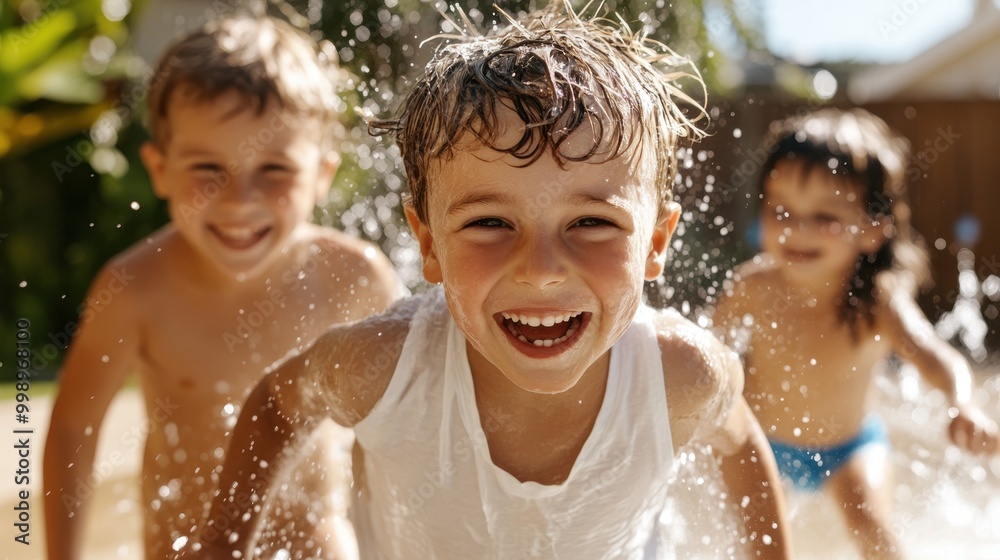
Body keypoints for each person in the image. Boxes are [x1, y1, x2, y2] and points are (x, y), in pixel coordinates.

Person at [179, 4, 791, 559]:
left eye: (591, 222)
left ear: (655, 243)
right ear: (428, 244)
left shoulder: (681, 376)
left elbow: (738, 442)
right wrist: (221, 545)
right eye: (491, 222)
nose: (542, 269)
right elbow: (278, 406)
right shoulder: (385, 370)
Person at [42, 14, 401, 560]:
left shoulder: (354, 278)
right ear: (159, 169)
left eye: (275, 169)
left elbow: (409, 427)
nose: (239, 200)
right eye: (208, 166)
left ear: (322, 174)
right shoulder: (135, 290)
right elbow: (73, 432)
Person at [711, 108, 999, 559]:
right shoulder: (752, 287)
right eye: (781, 210)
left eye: (824, 215)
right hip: (757, 442)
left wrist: (963, 402)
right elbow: (706, 345)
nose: (798, 228)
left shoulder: (877, 303)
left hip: (849, 449)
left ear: (872, 230)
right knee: (762, 549)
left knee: (875, 537)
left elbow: (935, 355)